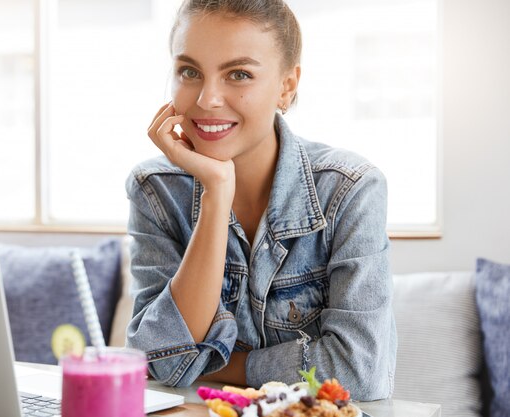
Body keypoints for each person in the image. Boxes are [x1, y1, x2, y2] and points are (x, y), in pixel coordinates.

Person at [125, 0, 396, 401]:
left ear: (286, 87)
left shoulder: (349, 190)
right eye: (189, 71)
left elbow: (358, 372)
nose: (207, 98)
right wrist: (217, 193)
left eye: (238, 74)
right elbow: (158, 359)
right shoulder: (157, 190)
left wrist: (220, 364)